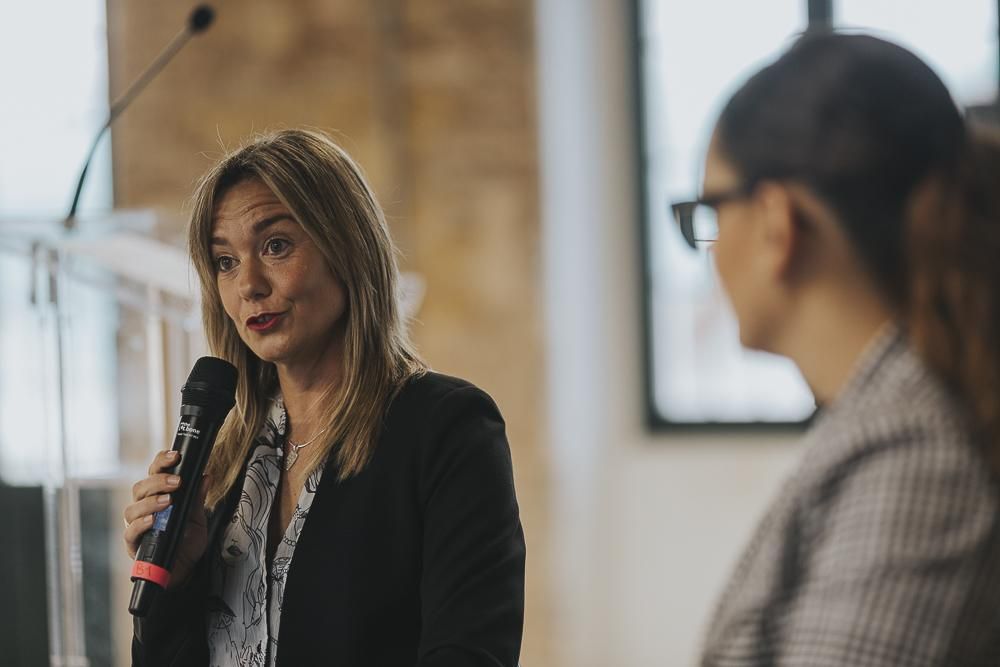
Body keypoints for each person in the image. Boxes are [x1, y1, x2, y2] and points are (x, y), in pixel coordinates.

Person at [122, 129, 525, 666]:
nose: (249, 285)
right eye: (225, 261)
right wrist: (180, 579)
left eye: (276, 245)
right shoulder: (224, 459)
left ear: (347, 246)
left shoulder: (446, 428)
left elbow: (471, 652)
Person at [671, 33, 1000, 665]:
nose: (709, 254)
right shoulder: (887, 417)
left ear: (776, 222)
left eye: (708, 212)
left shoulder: (914, 451)